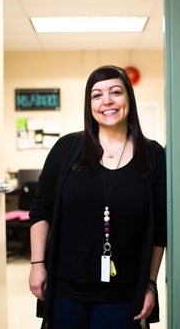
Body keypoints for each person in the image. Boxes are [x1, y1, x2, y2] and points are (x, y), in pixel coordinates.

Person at [28, 65, 167, 329]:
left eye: (116, 92)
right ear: (89, 104)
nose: (107, 101)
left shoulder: (153, 155)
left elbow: (160, 229)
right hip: (65, 285)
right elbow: (41, 209)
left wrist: (150, 283)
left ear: (128, 99)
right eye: (97, 95)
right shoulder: (67, 149)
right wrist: (37, 264)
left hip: (124, 289)